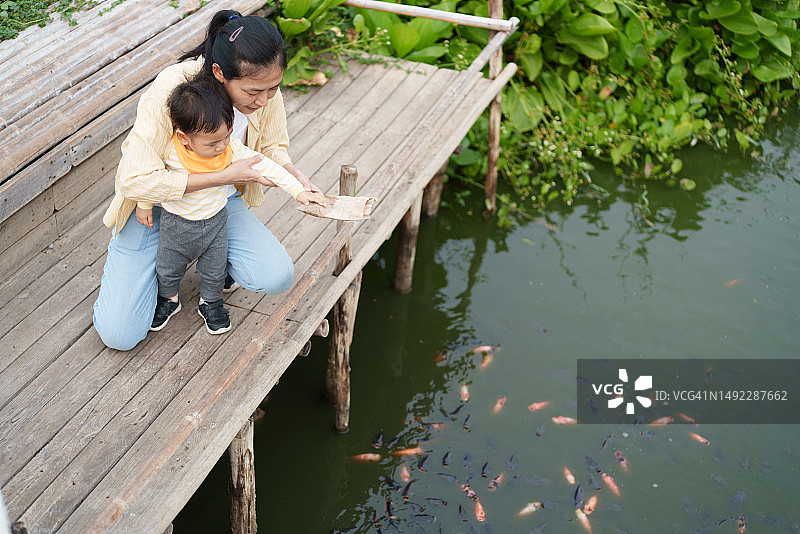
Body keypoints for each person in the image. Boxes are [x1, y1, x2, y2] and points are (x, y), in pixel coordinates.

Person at [93, 9, 319, 350]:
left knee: (276, 275)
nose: (264, 100)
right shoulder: (174, 87)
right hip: (154, 208)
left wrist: (297, 179)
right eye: (254, 91)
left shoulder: (264, 90)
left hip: (217, 207)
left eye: (274, 88)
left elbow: (272, 148)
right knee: (119, 335)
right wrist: (223, 176)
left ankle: (211, 256)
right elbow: (133, 180)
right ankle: (152, 266)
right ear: (218, 73)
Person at [135, 76, 325, 335]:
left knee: (214, 271)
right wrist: (144, 204)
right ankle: (169, 299)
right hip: (175, 227)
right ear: (183, 137)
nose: (222, 147)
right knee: (167, 268)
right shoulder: (170, 152)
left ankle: (210, 302)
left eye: (226, 137)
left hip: (215, 224)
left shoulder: (229, 148)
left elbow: (265, 164)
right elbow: (150, 175)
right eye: (213, 143)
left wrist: (298, 190)